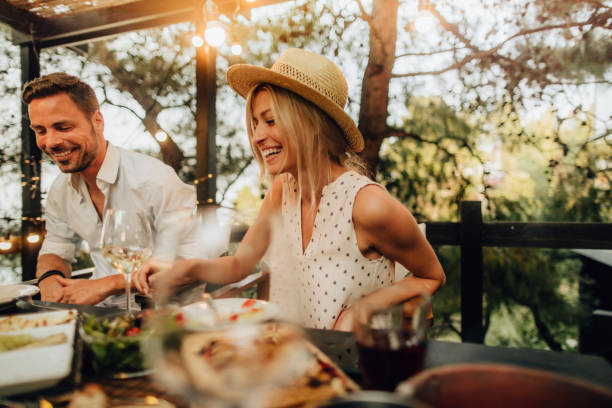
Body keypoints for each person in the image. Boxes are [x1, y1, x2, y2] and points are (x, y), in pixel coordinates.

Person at [134, 48, 445, 330]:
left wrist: (366, 308)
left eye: (270, 121)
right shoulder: (283, 189)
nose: (257, 136)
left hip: (356, 369)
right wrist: (185, 267)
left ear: (310, 124)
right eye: (255, 123)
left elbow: (432, 275)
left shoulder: (367, 205)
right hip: (293, 362)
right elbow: (240, 264)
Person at [22, 72, 201, 307]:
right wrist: (49, 280)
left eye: (62, 127)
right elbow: (56, 249)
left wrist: (107, 284)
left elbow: (193, 263)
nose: (50, 142)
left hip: (167, 319)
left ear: (97, 121)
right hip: (98, 317)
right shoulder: (60, 191)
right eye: (40, 130)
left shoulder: (154, 180)